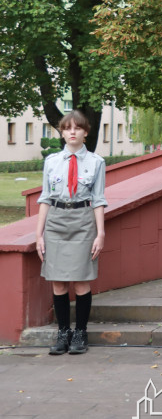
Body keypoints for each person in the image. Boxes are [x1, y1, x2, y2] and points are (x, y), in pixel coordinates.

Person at [35, 111, 107, 355]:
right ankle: (63, 332)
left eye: (77, 128)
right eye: (67, 128)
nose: (72, 132)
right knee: (58, 280)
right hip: (56, 221)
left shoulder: (96, 162)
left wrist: (100, 233)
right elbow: (45, 198)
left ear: (86, 132)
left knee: (82, 279)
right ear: (62, 132)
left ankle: (81, 333)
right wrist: (39, 234)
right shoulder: (52, 161)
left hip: (83, 221)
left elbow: (98, 200)